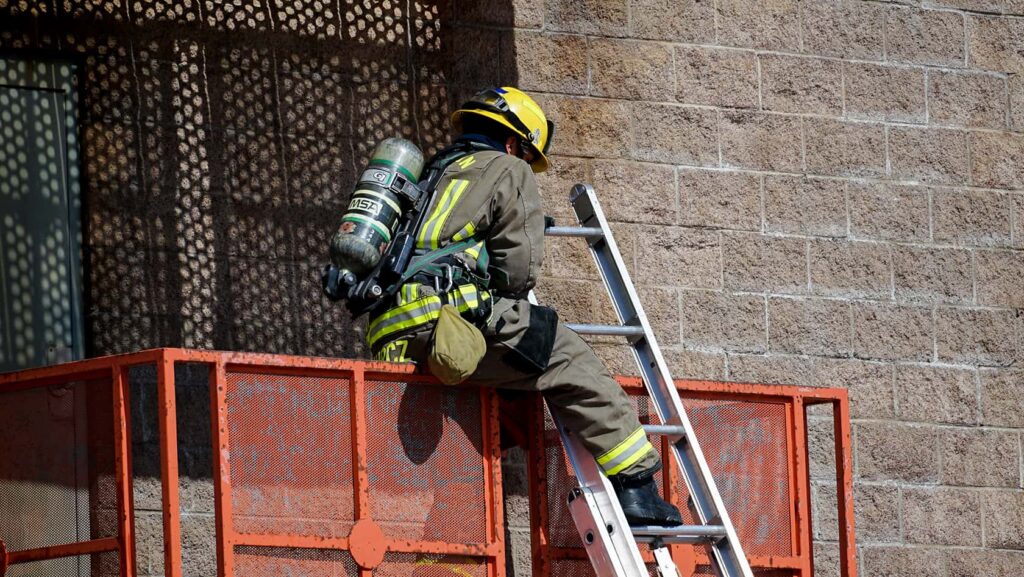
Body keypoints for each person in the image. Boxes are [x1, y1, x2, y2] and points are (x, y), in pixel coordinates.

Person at [367, 86, 682, 527]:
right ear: (515, 142)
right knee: (568, 356)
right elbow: (518, 273)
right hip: (447, 323)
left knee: (502, 399)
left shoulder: (432, 174)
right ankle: (637, 487)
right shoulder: (508, 168)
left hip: (393, 331)